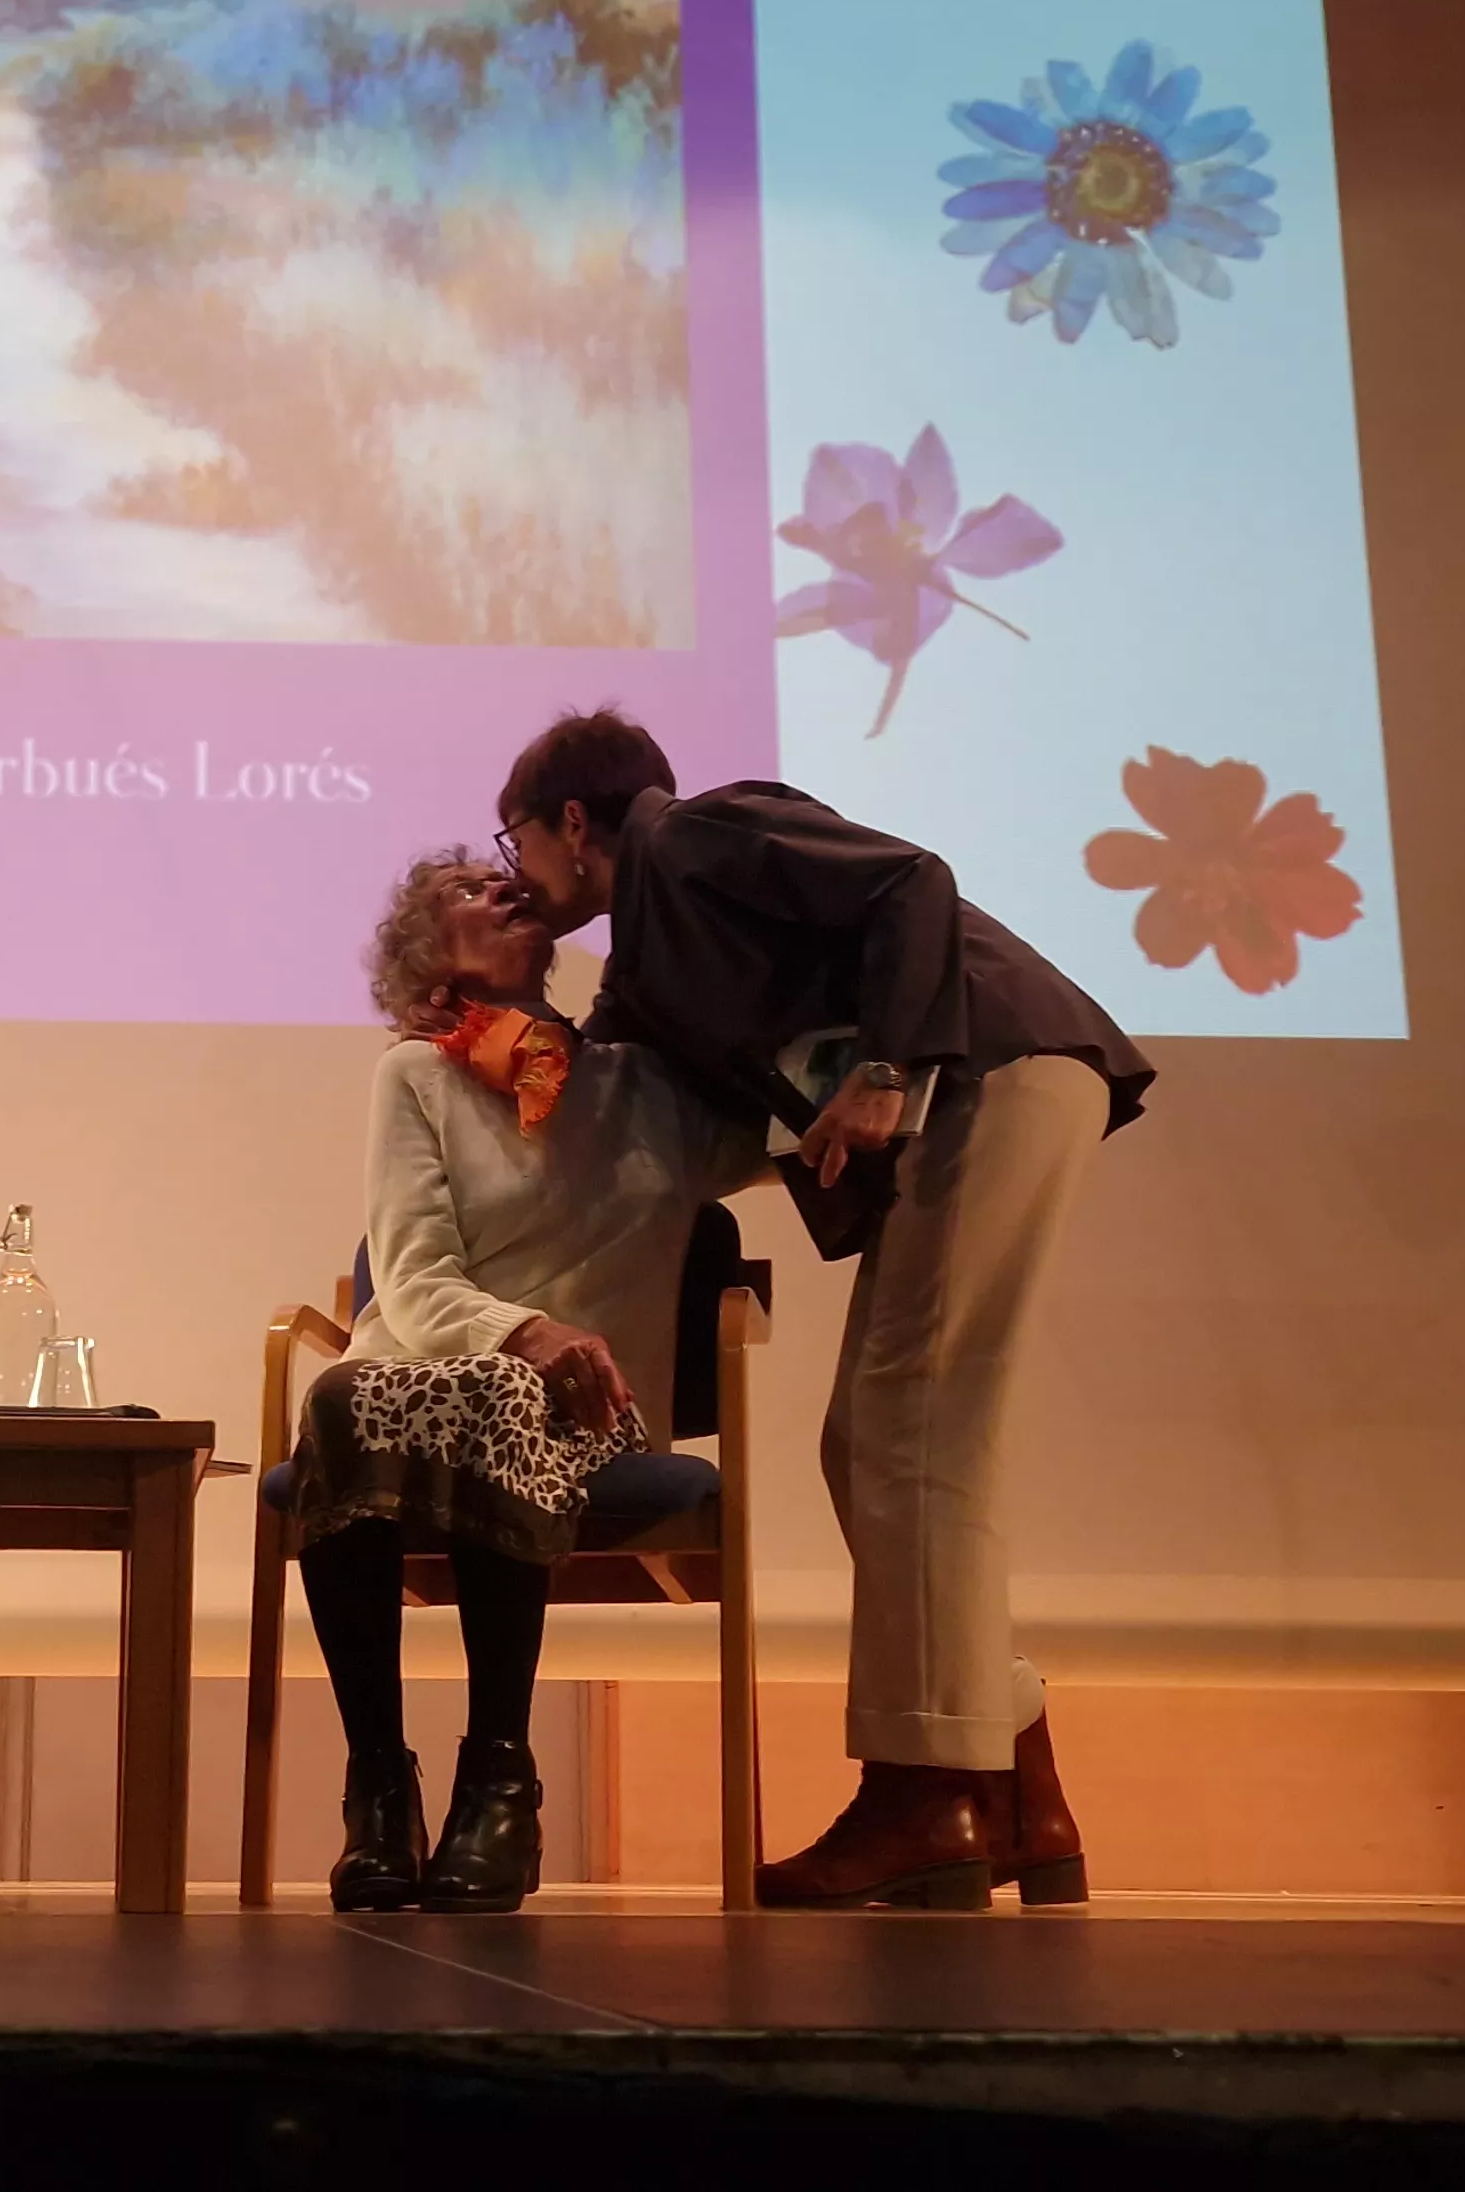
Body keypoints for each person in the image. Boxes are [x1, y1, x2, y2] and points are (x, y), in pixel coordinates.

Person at [489, 709, 1154, 1910]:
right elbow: (615, 1119)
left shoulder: (696, 833)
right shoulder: (644, 963)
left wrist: (884, 1071)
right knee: (873, 1443)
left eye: (514, 844)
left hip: (983, 1075)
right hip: (975, 1095)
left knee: (912, 1431)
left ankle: (924, 1799)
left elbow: (911, 881)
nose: (514, 872)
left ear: (571, 821)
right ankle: (1014, 1782)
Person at [294, 853, 757, 1912]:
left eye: (506, 880)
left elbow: (783, 1127)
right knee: (335, 1396)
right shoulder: (413, 1073)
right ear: (426, 963)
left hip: (582, 1410)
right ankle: (378, 1790)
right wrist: (525, 1329)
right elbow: (408, 1279)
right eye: (466, 890)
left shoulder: (646, 1084)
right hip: (413, 1388)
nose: (500, 888)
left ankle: (498, 1780)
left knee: (501, 1395)